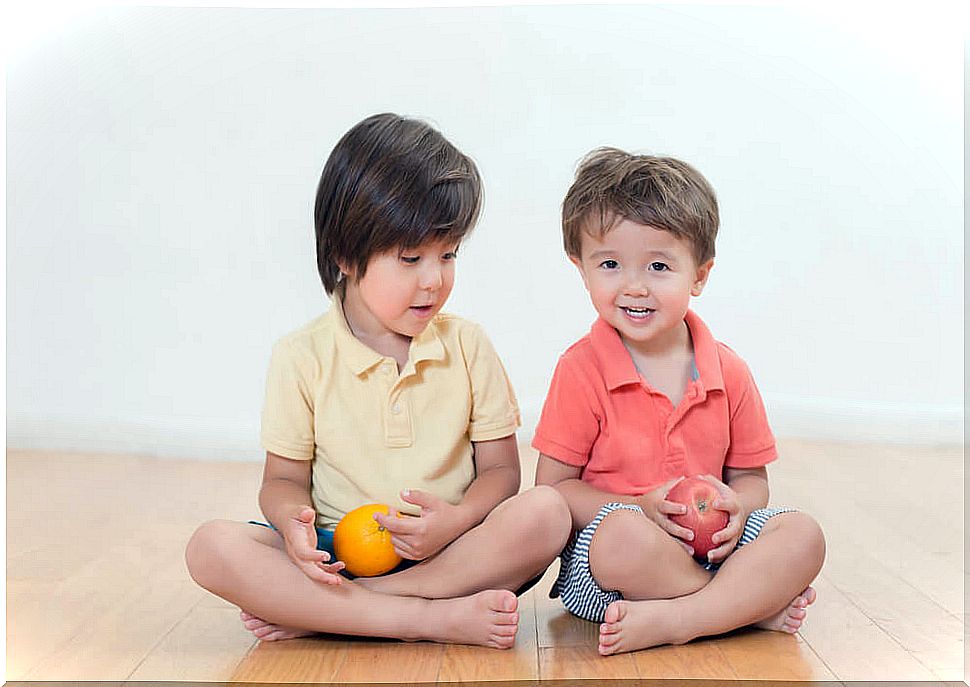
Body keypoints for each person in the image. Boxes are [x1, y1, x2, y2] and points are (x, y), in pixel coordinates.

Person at [185, 113, 570, 649]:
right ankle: (425, 619)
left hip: (450, 554)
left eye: (449, 254)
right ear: (345, 255)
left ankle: (341, 614)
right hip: (335, 558)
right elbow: (281, 483)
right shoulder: (302, 357)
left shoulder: (467, 345)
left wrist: (456, 520)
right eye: (410, 258)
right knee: (209, 547)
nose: (434, 280)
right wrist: (290, 526)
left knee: (548, 513)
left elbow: (503, 473)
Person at [533, 147, 826, 655]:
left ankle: (684, 617)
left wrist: (739, 507)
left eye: (659, 265)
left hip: (714, 546)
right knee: (620, 539)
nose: (635, 286)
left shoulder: (728, 370)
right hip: (620, 560)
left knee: (804, 534)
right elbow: (556, 492)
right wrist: (640, 506)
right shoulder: (581, 369)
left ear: (700, 275)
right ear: (580, 268)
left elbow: (752, 482)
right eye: (610, 264)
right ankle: (741, 608)